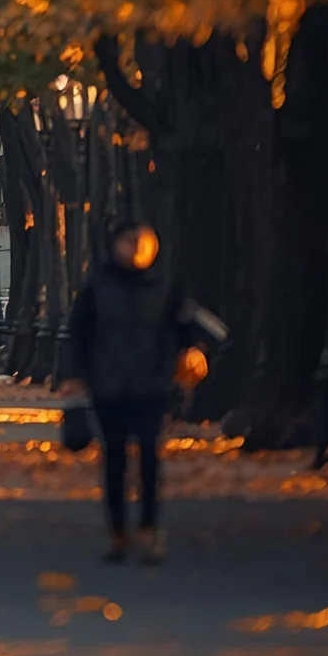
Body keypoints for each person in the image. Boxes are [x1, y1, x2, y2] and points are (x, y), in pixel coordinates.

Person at [65, 221, 196, 566]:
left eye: (144, 242)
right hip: (108, 384)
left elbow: (185, 329)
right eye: (130, 242)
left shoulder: (166, 287)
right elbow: (79, 331)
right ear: (115, 245)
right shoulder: (98, 285)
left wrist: (190, 354)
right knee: (115, 458)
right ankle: (118, 531)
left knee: (151, 455)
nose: (137, 248)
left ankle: (149, 529)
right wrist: (77, 375)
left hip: (153, 384)